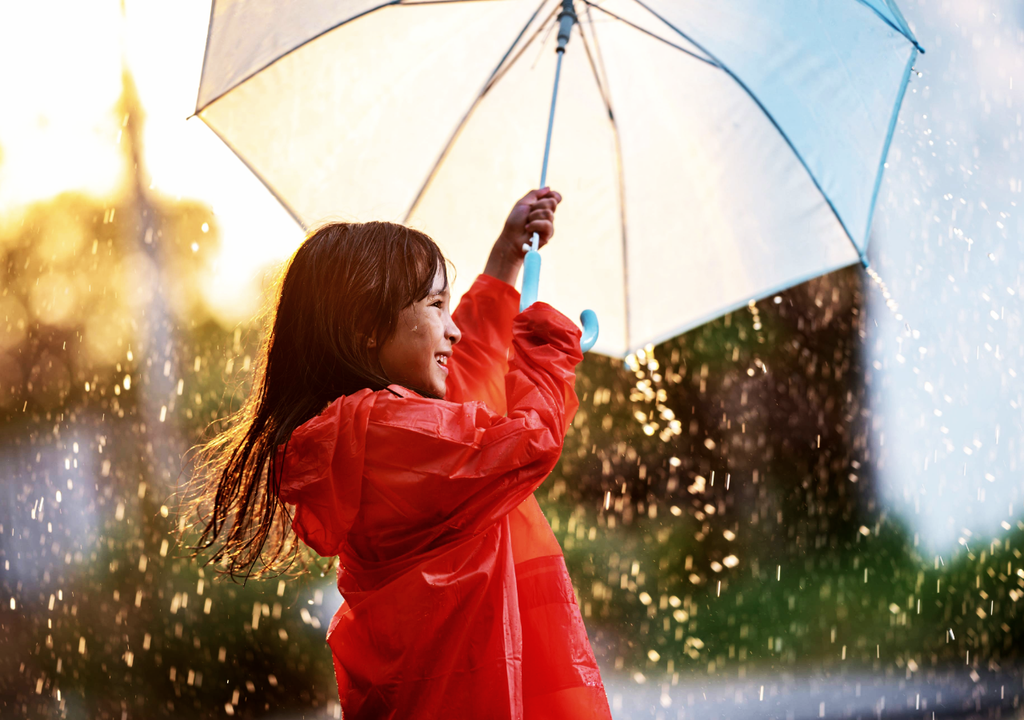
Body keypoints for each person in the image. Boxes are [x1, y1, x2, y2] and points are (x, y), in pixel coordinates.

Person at [188, 188, 612, 719]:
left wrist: (507, 256)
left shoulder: (367, 428)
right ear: (366, 327)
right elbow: (529, 444)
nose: (452, 327)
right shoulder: (391, 433)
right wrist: (546, 350)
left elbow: (467, 370)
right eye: (437, 305)